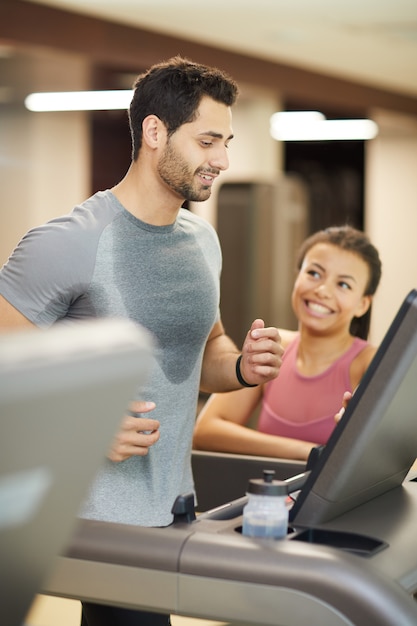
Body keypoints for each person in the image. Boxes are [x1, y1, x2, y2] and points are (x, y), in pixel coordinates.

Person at [0, 57, 283, 626]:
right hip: (91, 520)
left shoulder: (203, 241)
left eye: (226, 142)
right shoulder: (70, 242)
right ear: (155, 133)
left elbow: (204, 355)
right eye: (207, 141)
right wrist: (81, 426)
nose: (222, 160)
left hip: (175, 507)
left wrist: (244, 369)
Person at [193, 225, 382, 462]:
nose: (322, 290)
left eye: (343, 284)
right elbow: (206, 431)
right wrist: (313, 453)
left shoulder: (371, 363)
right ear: (297, 276)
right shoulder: (273, 347)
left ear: (363, 304)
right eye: (314, 273)